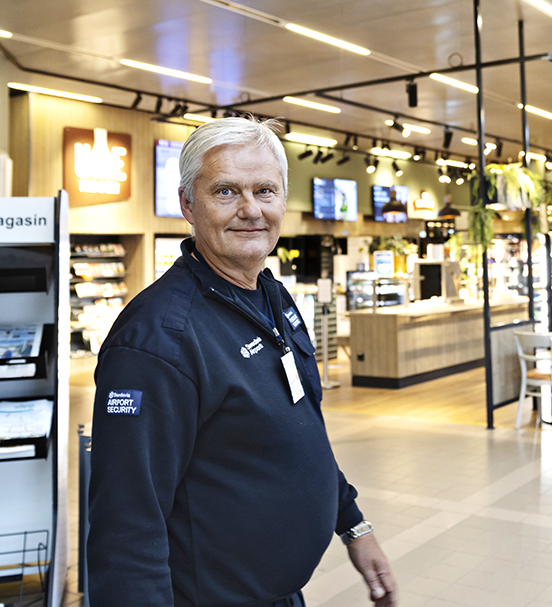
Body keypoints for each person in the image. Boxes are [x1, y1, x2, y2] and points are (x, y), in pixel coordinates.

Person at [86, 116, 396, 607]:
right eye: (226, 191)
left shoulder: (273, 299)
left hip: (278, 594)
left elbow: (301, 430)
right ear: (188, 203)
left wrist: (353, 524)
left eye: (265, 191)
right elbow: (126, 528)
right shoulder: (158, 342)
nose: (250, 210)